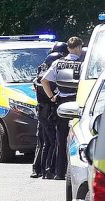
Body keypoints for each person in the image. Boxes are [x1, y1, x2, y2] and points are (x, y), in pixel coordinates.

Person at [41, 36, 85, 180]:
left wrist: (51, 97)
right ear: (78, 48)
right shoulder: (82, 64)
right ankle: (75, 172)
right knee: (78, 138)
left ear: (68, 48)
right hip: (77, 103)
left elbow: (44, 81)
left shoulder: (58, 63)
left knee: (61, 139)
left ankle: (60, 172)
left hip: (61, 104)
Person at [30, 42, 67, 179]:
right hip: (49, 108)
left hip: (41, 109)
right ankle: (48, 169)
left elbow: (35, 84)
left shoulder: (42, 67)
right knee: (51, 141)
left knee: (43, 142)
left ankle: (38, 169)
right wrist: (53, 97)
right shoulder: (53, 67)